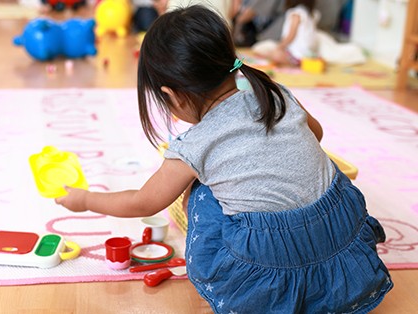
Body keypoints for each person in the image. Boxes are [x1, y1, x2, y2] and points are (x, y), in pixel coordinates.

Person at [55, 5, 392, 313]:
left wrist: (84, 199)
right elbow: (315, 135)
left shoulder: (196, 143)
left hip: (268, 266)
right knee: (324, 169)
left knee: (199, 189)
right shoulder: (274, 92)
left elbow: (144, 201)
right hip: (340, 241)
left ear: (170, 95)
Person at [268, 0, 320, 66]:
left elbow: (291, 35)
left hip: (297, 55)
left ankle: (293, 64)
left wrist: (280, 46)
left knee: (274, 54)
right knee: (270, 52)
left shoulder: (296, 13)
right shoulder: (310, 13)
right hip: (307, 54)